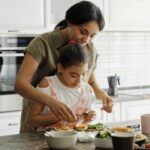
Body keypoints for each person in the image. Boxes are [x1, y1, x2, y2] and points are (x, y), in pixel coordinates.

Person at [15, 1, 113, 133]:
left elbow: (91, 82)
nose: (86, 40)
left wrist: (104, 97)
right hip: (38, 126)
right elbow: (20, 84)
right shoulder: (42, 43)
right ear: (70, 22)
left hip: (72, 130)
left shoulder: (89, 49)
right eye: (83, 32)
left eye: (92, 36)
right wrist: (51, 102)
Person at [24, 43, 96, 132]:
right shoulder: (47, 85)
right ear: (60, 68)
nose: (79, 81)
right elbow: (31, 120)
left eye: (83, 74)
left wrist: (89, 117)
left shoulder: (87, 90)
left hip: (77, 140)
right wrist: (59, 117)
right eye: (73, 75)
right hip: (48, 141)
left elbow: (85, 122)